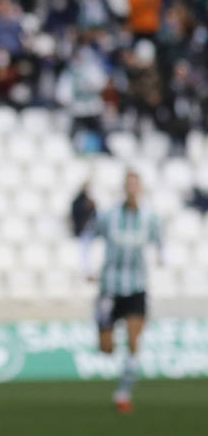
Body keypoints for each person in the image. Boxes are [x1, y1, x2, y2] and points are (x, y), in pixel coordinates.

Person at [81, 170, 161, 414]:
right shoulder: (109, 216)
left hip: (136, 287)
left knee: (134, 341)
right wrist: (87, 267)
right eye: (129, 184)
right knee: (106, 347)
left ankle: (123, 392)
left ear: (141, 188)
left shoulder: (150, 218)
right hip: (110, 288)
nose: (132, 189)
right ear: (124, 188)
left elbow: (160, 242)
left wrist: (162, 258)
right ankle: (109, 348)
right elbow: (87, 237)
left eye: (136, 184)